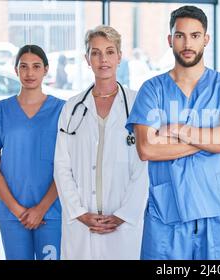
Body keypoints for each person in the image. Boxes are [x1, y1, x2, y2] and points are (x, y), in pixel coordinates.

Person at [126, 5, 220, 260]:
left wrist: (179, 130)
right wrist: (213, 139)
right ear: (170, 40)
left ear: (206, 39)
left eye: (195, 35)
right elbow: (146, 148)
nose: (187, 43)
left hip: (217, 213)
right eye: (180, 35)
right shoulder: (152, 90)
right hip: (167, 213)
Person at [54, 25, 148, 260]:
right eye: (95, 53)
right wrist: (79, 212)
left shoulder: (138, 104)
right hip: (81, 223)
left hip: (123, 223)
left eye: (109, 51)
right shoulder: (72, 108)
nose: (102, 59)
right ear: (87, 59)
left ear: (119, 56)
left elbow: (145, 165)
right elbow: (61, 166)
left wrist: (124, 214)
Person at [0, 45, 65, 260]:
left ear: (46, 69)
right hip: (11, 213)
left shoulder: (63, 110)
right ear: (16, 70)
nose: (30, 73)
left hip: (51, 211)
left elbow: (68, 167)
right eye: (23, 66)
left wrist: (41, 209)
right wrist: (17, 210)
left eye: (36, 66)